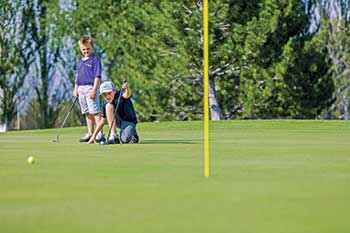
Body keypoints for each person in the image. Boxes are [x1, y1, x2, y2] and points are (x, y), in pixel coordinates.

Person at [73, 36, 105, 143]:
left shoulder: (95, 60)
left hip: (91, 87)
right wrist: (75, 89)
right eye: (83, 49)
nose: (86, 51)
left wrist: (94, 90)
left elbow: (97, 76)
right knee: (87, 112)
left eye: (88, 49)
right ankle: (90, 133)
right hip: (81, 89)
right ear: (80, 49)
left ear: (92, 48)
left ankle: (100, 134)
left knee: (95, 111)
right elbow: (78, 76)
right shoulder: (80, 61)